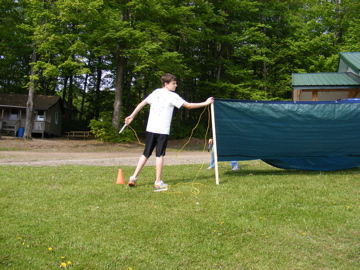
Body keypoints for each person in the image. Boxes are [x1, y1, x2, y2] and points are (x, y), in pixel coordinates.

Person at [124, 73, 214, 189]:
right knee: (160, 155)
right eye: (173, 83)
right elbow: (189, 106)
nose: (175, 86)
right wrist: (205, 103)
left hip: (151, 129)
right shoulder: (172, 95)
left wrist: (132, 115)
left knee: (145, 154)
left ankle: (133, 177)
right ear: (166, 84)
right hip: (162, 130)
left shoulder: (156, 92)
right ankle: (158, 182)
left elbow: (142, 103)